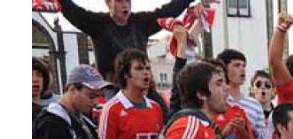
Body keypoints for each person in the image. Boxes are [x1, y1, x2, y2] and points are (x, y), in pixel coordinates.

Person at [57, 0, 195, 81]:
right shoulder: (98, 24)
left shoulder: (141, 22)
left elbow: (168, 10)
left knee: (164, 112)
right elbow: (74, 12)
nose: (125, 5)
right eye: (119, 1)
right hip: (111, 85)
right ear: (108, 4)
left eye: (128, 1)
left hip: (141, 82)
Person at [251, 69, 276, 139]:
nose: (263, 87)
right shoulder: (248, 112)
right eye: (258, 85)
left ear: (273, 90)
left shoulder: (278, 113)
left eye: (267, 85)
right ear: (252, 89)